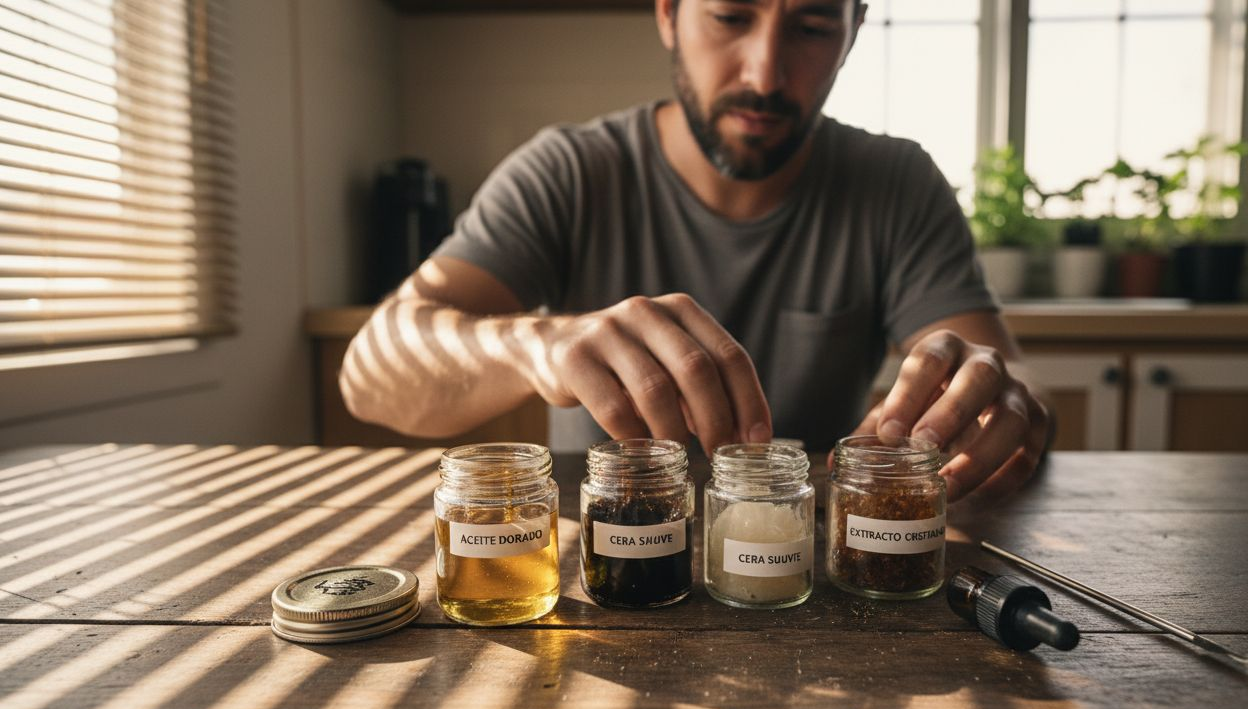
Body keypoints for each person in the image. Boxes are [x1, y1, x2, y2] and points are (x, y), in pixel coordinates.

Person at [341, 0, 1053, 504]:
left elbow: (1002, 383)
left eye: (811, 26)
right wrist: (539, 345)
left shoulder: (897, 184)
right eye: (730, 17)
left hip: (805, 577)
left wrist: (1003, 400)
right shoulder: (568, 172)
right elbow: (370, 375)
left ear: (853, 29)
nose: (765, 75)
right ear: (666, 15)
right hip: (614, 565)